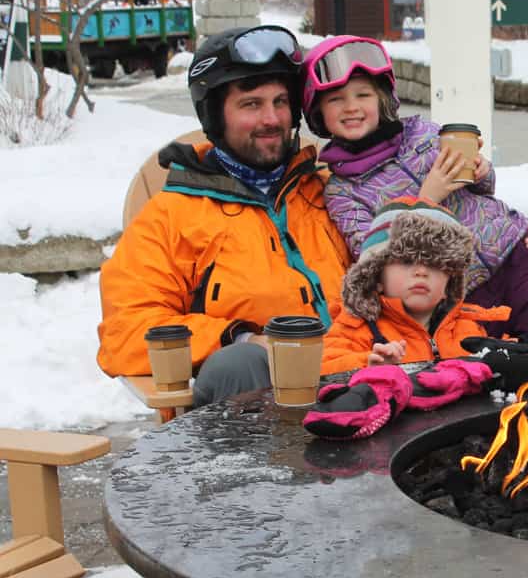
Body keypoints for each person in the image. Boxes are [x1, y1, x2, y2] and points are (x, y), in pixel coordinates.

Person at [96, 25, 351, 405]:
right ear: (215, 116)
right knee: (240, 363)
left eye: (281, 102)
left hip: (358, 380)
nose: (272, 118)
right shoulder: (172, 216)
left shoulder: (330, 191)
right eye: (251, 104)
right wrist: (238, 338)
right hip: (251, 411)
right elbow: (126, 332)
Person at [300, 35, 528, 349]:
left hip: (514, 256)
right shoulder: (342, 190)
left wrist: (480, 170)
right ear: (318, 112)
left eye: (363, 95)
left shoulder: (423, 133)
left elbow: (480, 189)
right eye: (336, 100)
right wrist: (426, 199)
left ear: (383, 99)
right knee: (503, 371)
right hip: (461, 292)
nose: (351, 107)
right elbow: (373, 253)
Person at [321, 197, 510, 373]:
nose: (421, 271)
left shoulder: (467, 327)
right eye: (406, 262)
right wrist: (368, 365)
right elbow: (323, 368)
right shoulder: (354, 327)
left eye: (434, 264)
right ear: (376, 277)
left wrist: (510, 354)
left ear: (450, 282)